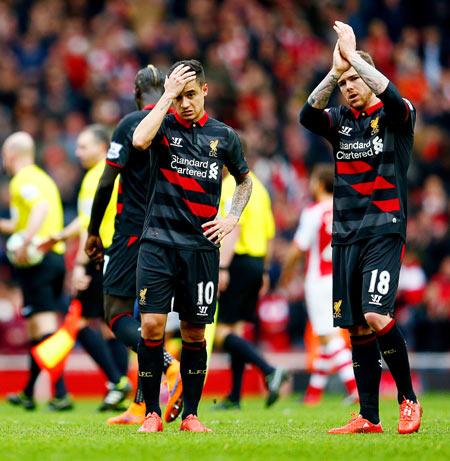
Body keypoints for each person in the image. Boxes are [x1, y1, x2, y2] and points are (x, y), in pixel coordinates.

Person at [299, 21, 421, 434]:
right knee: (354, 325)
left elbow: (393, 97)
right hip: (346, 234)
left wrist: (356, 59)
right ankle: (369, 416)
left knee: (375, 312)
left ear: (370, 79)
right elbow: (306, 115)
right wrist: (334, 71)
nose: (350, 86)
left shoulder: (396, 118)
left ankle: (408, 399)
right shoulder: (338, 121)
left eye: (356, 79)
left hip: (384, 228)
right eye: (345, 81)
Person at [131, 59, 252, 432]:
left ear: (204, 91)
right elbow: (138, 140)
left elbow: (245, 182)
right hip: (158, 243)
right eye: (178, 96)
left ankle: (192, 415)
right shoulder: (162, 124)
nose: (184, 103)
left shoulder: (224, 136)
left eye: (189, 95)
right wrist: (165, 96)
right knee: (151, 325)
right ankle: (152, 412)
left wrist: (232, 217)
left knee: (194, 332)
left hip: (200, 249)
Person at [85, 65, 183, 425]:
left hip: (131, 233)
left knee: (117, 314)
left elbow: (105, 182)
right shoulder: (178, 125)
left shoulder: (130, 125)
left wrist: (93, 231)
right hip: (170, 234)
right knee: (149, 319)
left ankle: (170, 367)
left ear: (136, 94)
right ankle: (142, 404)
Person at [42, 124, 131, 411]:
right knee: (110, 326)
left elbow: (87, 229)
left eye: (83, 146)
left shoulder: (97, 178)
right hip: (114, 254)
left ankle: (118, 381)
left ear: (102, 146)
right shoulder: (110, 174)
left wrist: (79, 264)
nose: (77, 152)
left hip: (97, 257)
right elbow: (83, 222)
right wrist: (59, 236)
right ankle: (117, 390)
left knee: (78, 322)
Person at [214, 136, 288, 410]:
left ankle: (269, 370)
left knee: (221, 333)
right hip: (257, 264)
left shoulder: (230, 186)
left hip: (237, 261)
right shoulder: (259, 187)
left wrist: (222, 267)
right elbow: (269, 234)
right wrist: (266, 271)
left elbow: (235, 228)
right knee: (236, 330)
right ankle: (234, 396)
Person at [0, 132, 71, 410]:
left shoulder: (22, 180)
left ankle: (61, 393)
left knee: (44, 328)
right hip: (52, 258)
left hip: (38, 261)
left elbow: (40, 209)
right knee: (34, 327)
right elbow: (19, 222)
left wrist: (27, 240)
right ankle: (30, 392)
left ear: (12, 154)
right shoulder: (42, 178)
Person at [277, 164, 357, 405]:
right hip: (341, 279)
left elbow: (297, 249)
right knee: (325, 337)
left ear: (319, 184)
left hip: (319, 281)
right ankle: (313, 395)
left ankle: (355, 387)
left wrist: (285, 275)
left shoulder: (313, 212)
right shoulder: (344, 209)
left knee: (328, 336)